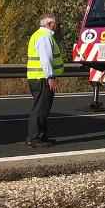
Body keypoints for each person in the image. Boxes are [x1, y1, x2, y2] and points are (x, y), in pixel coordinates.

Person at [26, 13, 63, 148]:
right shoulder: (45, 37)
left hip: (38, 77)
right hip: (42, 78)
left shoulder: (39, 35)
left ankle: (41, 136)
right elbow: (46, 59)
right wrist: (50, 77)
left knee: (43, 108)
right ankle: (34, 138)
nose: (57, 26)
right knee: (40, 109)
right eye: (55, 23)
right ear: (49, 24)